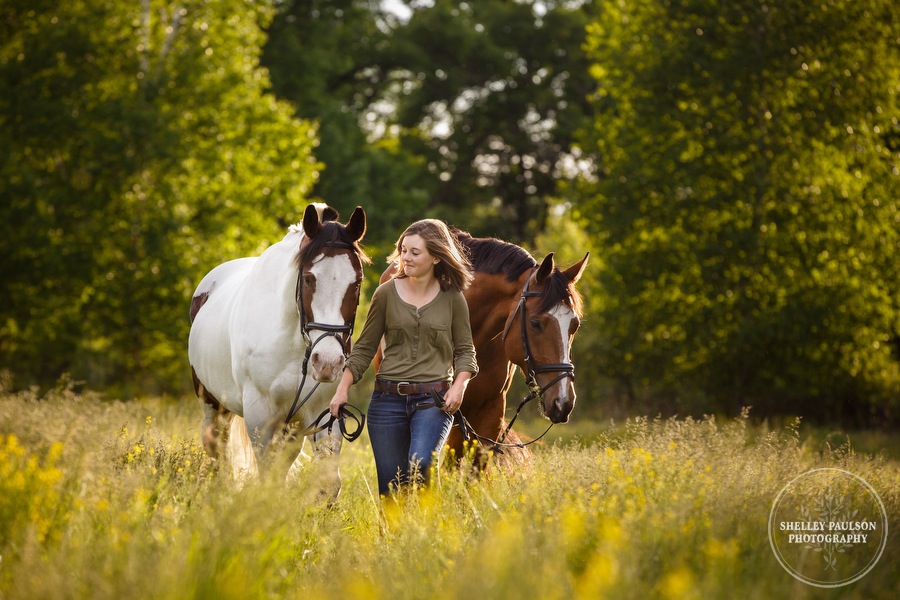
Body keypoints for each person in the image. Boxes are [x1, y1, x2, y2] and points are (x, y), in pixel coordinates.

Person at [329, 219, 477, 496]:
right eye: (403, 250)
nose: (405, 257)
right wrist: (342, 389)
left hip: (433, 401)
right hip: (386, 403)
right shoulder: (385, 294)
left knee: (421, 465)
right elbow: (364, 347)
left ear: (435, 257)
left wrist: (459, 385)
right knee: (391, 487)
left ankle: (422, 534)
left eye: (414, 252)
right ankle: (396, 538)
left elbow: (466, 350)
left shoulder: (453, 298)